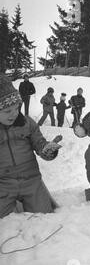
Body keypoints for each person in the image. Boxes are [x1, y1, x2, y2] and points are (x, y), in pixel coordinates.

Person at [0, 74, 62, 218]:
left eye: (16, 108)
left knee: (44, 216)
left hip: (31, 180)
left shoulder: (27, 123)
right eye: (7, 111)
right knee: (4, 222)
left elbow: (39, 142)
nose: (13, 114)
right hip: (3, 184)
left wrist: (47, 150)